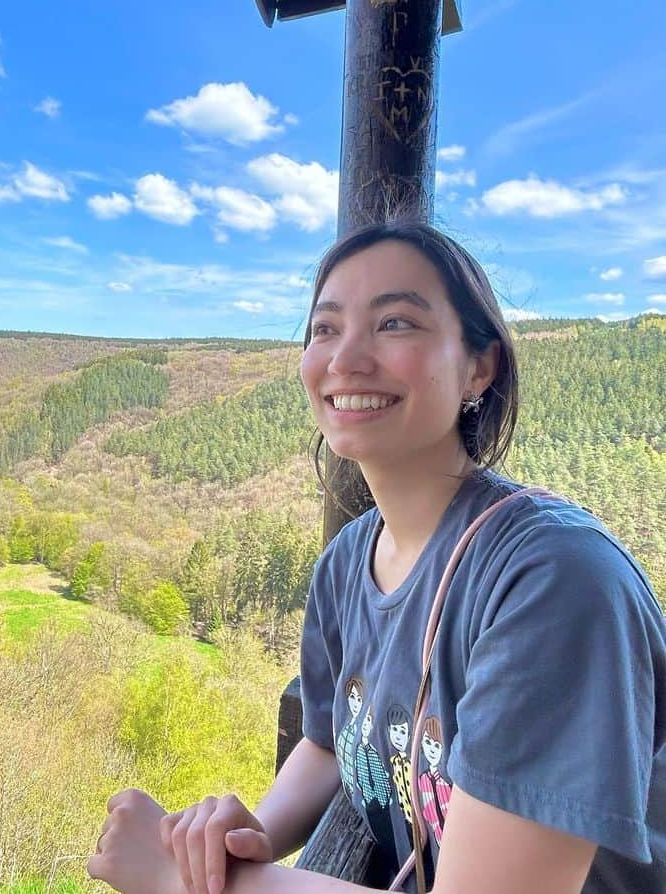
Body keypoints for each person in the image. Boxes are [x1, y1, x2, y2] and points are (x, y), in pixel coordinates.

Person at [87, 220, 665, 894]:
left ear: (479, 366)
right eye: (325, 329)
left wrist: (181, 882)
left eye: (395, 323)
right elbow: (331, 739)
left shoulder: (554, 580)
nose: (345, 358)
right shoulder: (347, 563)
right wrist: (251, 837)